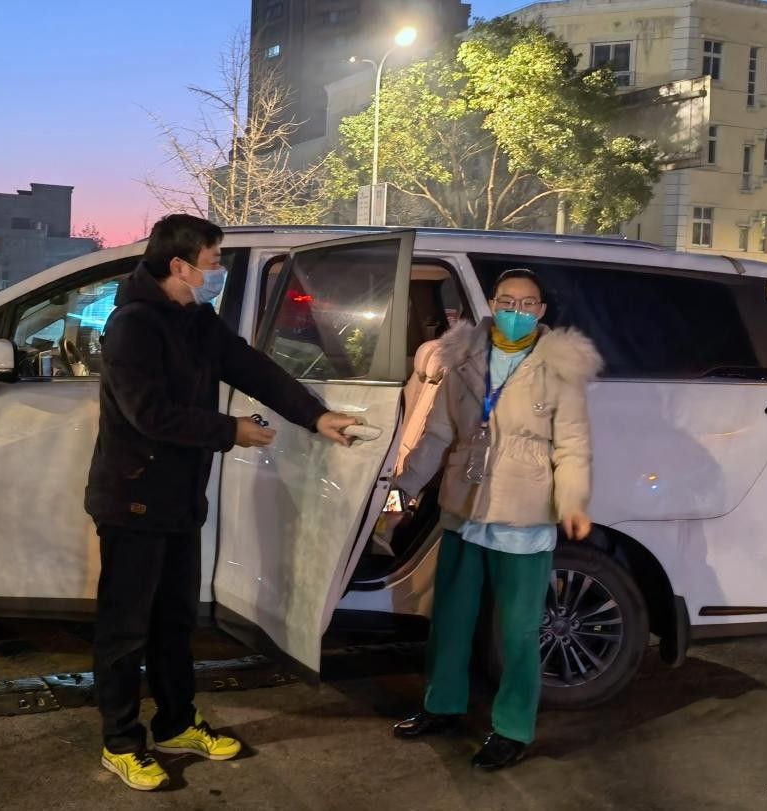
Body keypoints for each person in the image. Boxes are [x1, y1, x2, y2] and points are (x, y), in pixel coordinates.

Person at [85, 214, 358, 791]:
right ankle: (121, 742)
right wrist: (229, 430)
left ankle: (176, 723)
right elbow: (149, 414)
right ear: (179, 266)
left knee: (175, 619)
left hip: (180, 499)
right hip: (133, 499)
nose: (218, 273)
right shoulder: (134, 324)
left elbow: (249, 366)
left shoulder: (196, 318)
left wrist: (314, 415)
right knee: (125, 629)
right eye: (212, 263)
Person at [388, 268, 602, 771]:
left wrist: (573, 502)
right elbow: (438, 434)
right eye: (507, 301)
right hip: (465, 506)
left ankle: (512, 729)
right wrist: (404, 487)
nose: (516, 312)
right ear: (491, 303)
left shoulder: (559, 368)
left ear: (541, 311)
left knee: (520, 631)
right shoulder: (464, 358)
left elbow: (573, 445)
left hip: (525, 512)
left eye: (527, 304)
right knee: (450, 617)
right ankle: (442, 705)